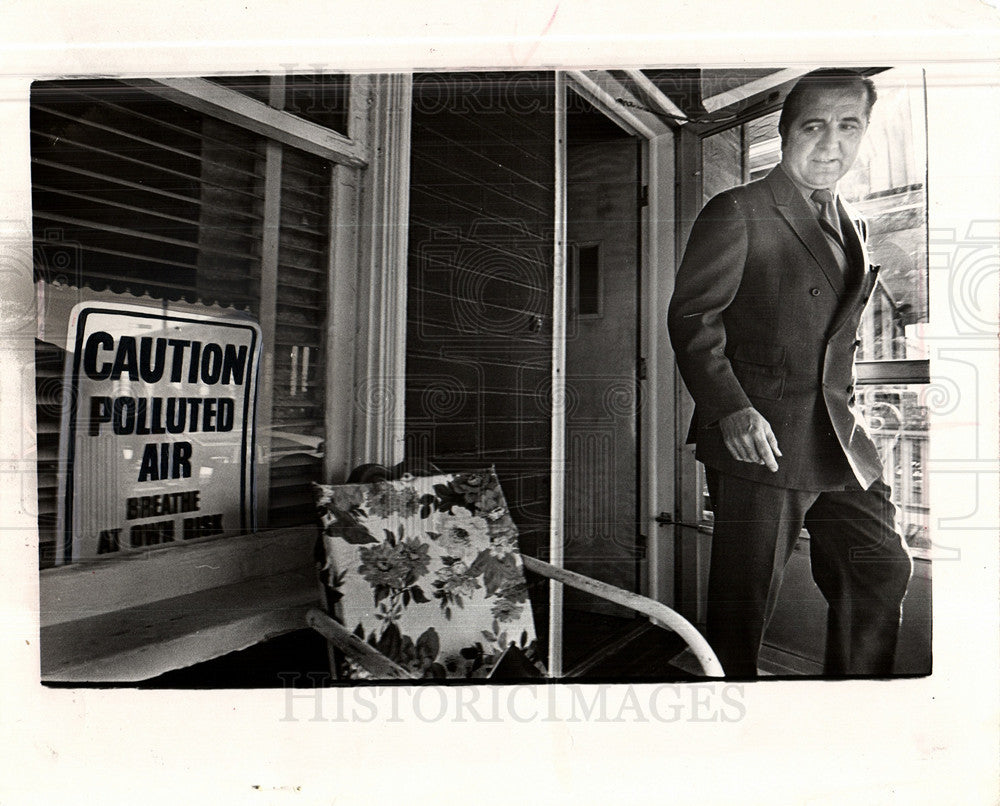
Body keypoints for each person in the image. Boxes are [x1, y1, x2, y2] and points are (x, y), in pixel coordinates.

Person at [667, 68, 913, 677]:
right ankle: (731, 718)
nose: (831, 143)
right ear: (783, 132)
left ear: (864, 135)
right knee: (743, 604)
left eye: (848, 126)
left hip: (837, 436)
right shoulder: (739, 210)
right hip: (764, 439)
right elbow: (694, 319)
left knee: (879, 562)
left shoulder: (850, 221)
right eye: (814, 126)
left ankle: (852, 697)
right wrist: (731, 408)